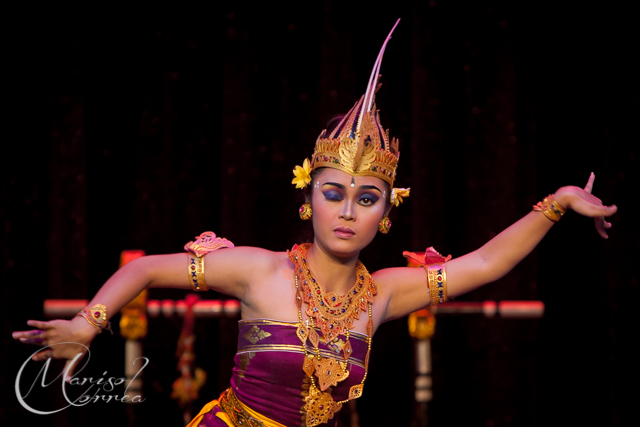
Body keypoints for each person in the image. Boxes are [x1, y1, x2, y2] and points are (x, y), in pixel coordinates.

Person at [12, 21, 616, 427]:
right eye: (335, 193)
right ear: (311, 200)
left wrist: (557, 203)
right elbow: (144, 268)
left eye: (367, 198)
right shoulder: (260, 271)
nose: (348, 210)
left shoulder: (381, 295)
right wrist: (89, 326)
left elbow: (485, 265)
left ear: (385, 215)